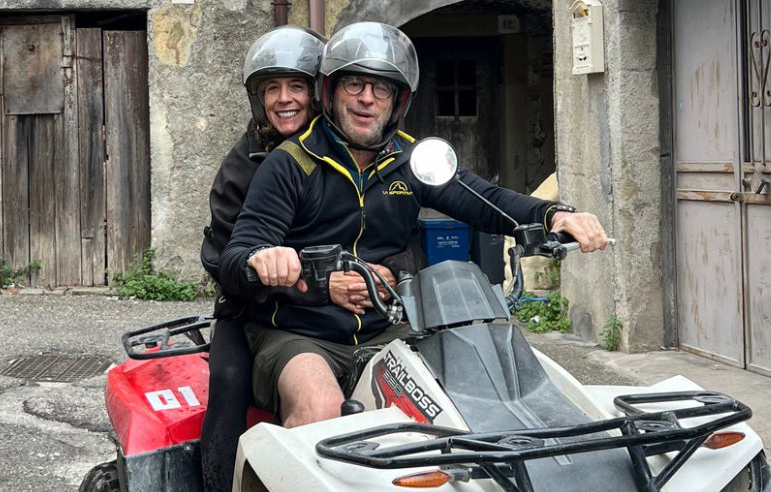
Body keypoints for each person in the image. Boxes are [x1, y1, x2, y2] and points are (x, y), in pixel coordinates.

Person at [219, 22, 609, 427]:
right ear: (330, 92)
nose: (367, 99)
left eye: (381, 88)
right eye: (354, 84)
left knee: (468, 405)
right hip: (299, 334)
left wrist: (554, 215)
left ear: (397, 101)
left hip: (387, 329)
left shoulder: (411, 160)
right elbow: (236, 258)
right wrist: (269, 262)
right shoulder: (289, 163)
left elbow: (485, 200)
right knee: (321, 409)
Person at [172, 25, 326, 492]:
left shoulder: (342, 155)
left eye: (297, 86)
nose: (285, 99)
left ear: (318, 93)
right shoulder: (242, 165)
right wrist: (274, 275)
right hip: (250, 312)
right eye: (272, 89)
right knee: (227, 396)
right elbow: (222, 257)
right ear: (256, 98)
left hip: (329, 318)